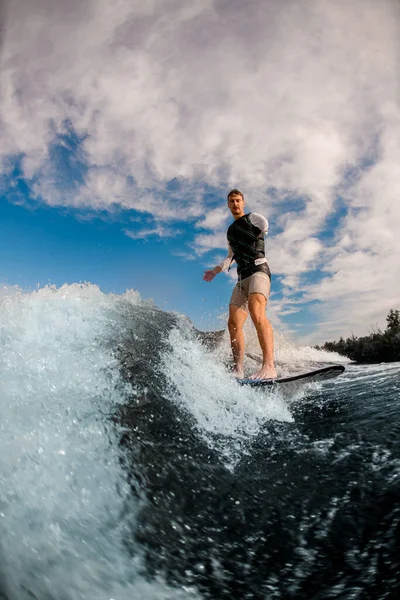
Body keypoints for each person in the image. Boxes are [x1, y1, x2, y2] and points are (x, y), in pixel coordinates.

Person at [203, 189, 277, 380]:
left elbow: (265, 227)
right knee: (233, 324)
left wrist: (257, 233)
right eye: (231, 201)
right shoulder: (230, 232)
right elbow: (230, 257)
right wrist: (214, 271)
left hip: (259, 271)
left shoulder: (254, 219)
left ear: (243, 202)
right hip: (241, 278)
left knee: (256, 310)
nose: (235, 204)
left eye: (238, 200)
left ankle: (269, 366)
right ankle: (238, 369)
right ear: (228, 205)